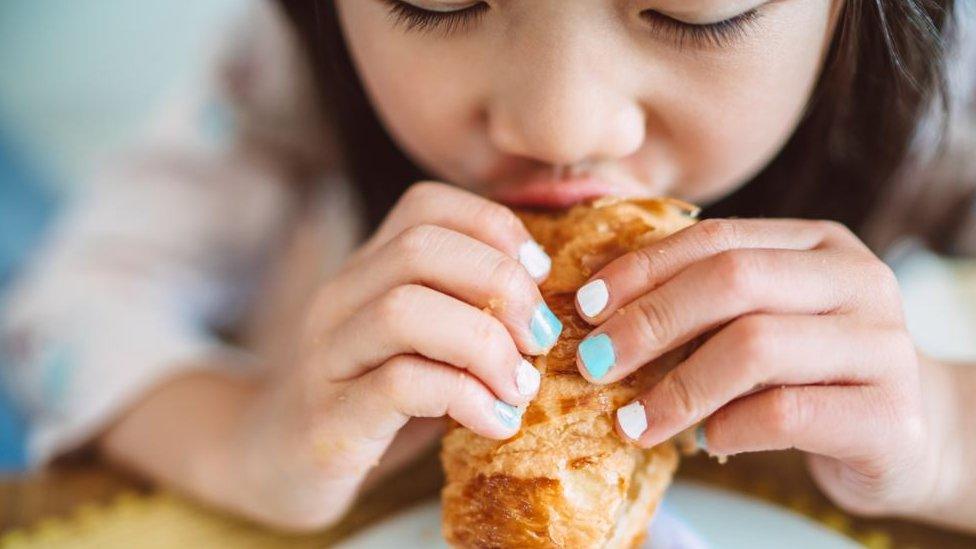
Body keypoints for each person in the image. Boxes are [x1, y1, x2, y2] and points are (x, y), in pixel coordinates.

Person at [2, 0, 975, 534]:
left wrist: (943, 434)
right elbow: (62, 312)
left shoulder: (944, 88)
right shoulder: (292, 58)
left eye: (691, 7)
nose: (557, 123)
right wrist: (247, 442)